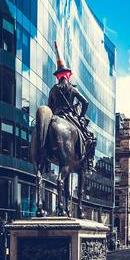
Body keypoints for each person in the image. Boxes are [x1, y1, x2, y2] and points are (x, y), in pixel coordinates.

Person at [48, 41, 96, 171]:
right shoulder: (72, 88)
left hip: (55, 115)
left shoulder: (53, 89)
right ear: (68, 75)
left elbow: (49, 107)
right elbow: (85, 102)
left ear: (58, 76)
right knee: (90, 138)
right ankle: (89, 163)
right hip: (70, 117)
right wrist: (80, 116)